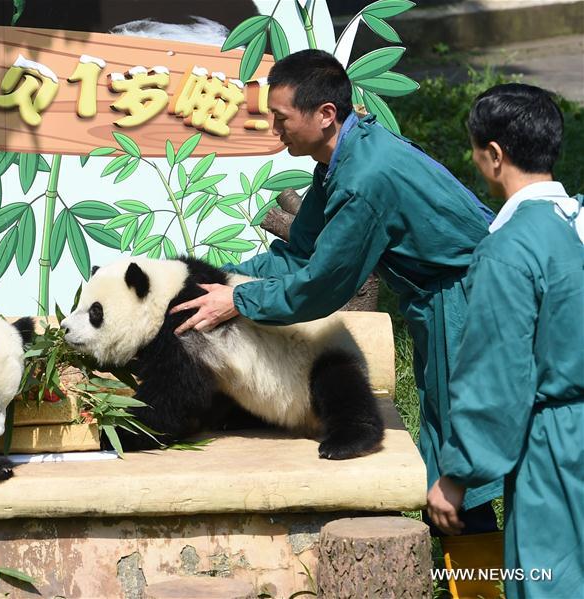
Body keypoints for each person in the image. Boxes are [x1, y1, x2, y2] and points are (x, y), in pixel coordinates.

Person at [170, 49, 502, 530]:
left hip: (472, 300)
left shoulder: (364, 180)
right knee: (449, 450)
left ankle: (485, 579)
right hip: (444, 298)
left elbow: (321, 286)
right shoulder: (342, 159)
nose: (275, 128)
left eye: (281, 117)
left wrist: (238, 300)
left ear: (325, 115)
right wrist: (214, 279)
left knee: (461, 466)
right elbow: (299, 252)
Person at [427, 83, 583, 598]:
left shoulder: (509, 250)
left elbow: (498, 376)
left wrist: (459, 472)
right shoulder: (578, 221)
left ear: (494, 156)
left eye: (474, 151)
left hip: (556, 443)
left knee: (549, 581)